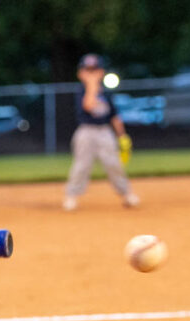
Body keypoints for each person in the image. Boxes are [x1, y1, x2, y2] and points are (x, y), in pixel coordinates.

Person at [62, 53, 139, 212]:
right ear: (81, 73)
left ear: (101, 71)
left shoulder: (106, 92)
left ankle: (126, 194)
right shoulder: (81, 90)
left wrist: (122, 136)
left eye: (94, 70)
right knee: (82, 165)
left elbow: (114, 116)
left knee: (114, 164)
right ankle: (71, 196)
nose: (91, 73)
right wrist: (92, 85)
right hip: (86, 131)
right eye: (87, 70)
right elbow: (89, 105)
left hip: (104, 131)